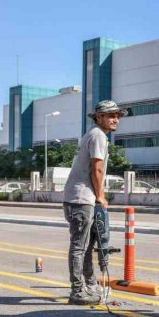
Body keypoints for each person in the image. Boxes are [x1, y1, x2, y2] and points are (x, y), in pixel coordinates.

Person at [63, 100, 125, 305]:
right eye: (111, 115)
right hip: (82, 198)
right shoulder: (98, 135)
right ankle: (77, 291)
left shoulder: (93, 134)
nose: (115, 119)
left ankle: (90, 285)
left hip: (80, 197)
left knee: (87, 246)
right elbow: (96, 169)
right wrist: (101, 196)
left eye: (117, 116)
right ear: (99, 117)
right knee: (79, 246)